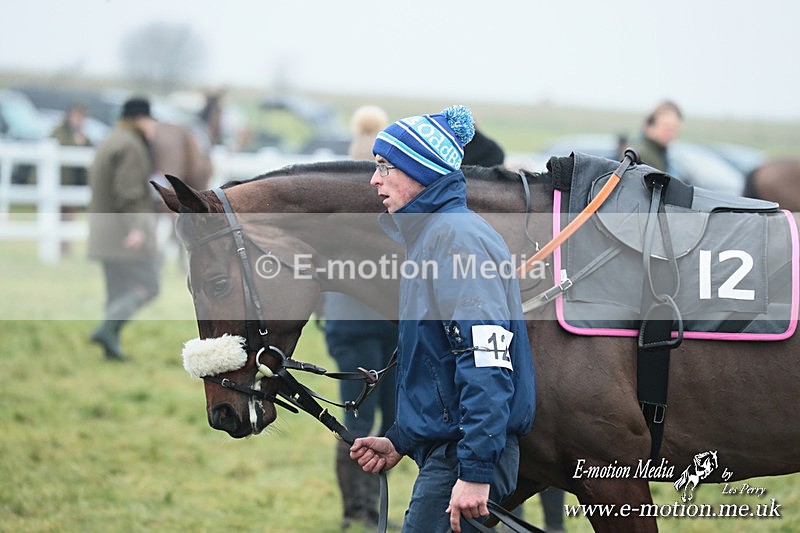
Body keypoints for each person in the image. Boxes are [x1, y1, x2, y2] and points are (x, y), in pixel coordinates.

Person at [350, 105, 536, 533]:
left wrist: (475, 472)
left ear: (422, 170)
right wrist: (400, 439)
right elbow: (441, 364)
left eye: (385, 167)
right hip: (453, 448)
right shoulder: (434, 236)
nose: (374, 179)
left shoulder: (457, 239)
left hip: (463, 456)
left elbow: (487, 361)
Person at [324, 104, 398, 530]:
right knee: (374, 420)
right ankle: (362, 511)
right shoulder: (390, 200)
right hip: (376, 323)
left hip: (356, 322)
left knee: (364, 419)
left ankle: (364, 511)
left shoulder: (336, 207)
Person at [87, 97, 160, 361]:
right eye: (151, 121)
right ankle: (106, 330)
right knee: (149, 285)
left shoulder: (110, 140)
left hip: (104, 231)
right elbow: (128, 193)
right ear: (141, 119)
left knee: (117, 291)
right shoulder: (131, 146)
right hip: (124, 233)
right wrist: (137, 228)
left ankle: (111, 349)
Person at [50, 103, 93, 256]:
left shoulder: (83, 136)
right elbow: (57, 145)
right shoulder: (59, 132)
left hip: (74, 183)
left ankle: (65, 248)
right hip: (61, 181)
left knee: (69, 217)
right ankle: (57, 247)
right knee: (57, 216)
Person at [634, 100, 683, 174]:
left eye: (674, 128)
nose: (670, 133)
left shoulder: (662, 155)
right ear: (649, 127)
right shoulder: (642, 156)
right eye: (666, 126)